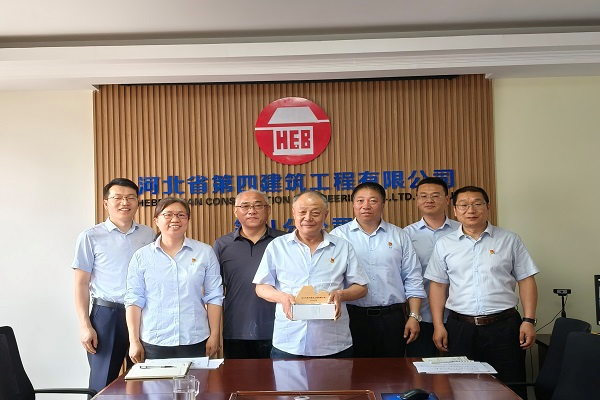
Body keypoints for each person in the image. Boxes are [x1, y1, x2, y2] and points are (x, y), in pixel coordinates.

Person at [425, 185, 538, 398]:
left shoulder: (509, 240)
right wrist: (439, 325)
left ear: (487, 207)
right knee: (461, 388)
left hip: (504, 326)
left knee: (509, 386)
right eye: (464, 205)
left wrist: (529, 320)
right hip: (461, 328)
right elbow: (438, 286)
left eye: (477, 204)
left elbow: (526, 279)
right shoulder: (444, 244)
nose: (471, 210)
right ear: (455, 210)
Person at [253, 191, 369, 358]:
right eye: (302, 212)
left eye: (315, 213)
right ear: (294, 213)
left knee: (338, 377)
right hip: (289, 341)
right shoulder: (277, 246)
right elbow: (261, 287)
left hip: (332, 341)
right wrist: (282, 298)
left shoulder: (342, 247)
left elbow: (361, 287)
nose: (308, 218)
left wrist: (341, 294)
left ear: (325, 215)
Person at [72, 178, 155, 392]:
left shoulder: (149, 234)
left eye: (130, 197)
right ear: (105, 203)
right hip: (107, 316)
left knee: (145, 381)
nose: (124, 202)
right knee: (102, 383)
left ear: (137, 202)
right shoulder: (90, 237)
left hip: (144, 314)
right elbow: (81, 284)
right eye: (117, 197)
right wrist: (85, 326)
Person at [330, 182, 425, 357]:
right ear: (353, 204)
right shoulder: (338, 236)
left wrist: (414, 316)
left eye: (373, 200)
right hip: (352, 316)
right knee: (355, 370)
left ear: (383, 204)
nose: (366, 206)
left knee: (392, 370)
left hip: (392, 317)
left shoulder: (399, 235)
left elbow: (412, 277)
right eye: (360, 200)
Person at [125, 197, 224, 362]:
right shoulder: (141, 257)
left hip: (195, 338)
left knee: (195, 380)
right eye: (168, 214)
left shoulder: (204, 252)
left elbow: (214, 296)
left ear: (188, 220)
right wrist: (134, 341)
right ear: (156, 220)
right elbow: (134, 300)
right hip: (154, 340)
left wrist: (214, 335)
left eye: (181, 215)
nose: (175, 219)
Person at [213, 190, 285, 359]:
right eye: (245, 206)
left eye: (258, 206)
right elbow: (213, 291)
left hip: (281, 328)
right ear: (235, 211)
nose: (251, 211)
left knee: (281, 376)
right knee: (238, 376)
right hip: (236, 329)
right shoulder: (222, 245)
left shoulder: (284, 242)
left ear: (268, 210)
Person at [404, 177, 460, 358]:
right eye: (423, 196)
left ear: (447, 199)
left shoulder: (462, 230)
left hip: (459, 315)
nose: (429, 200)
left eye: (435, 195)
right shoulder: (405, 235)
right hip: (421, 316)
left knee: (460, 369)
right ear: (417, 200)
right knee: (420, 369)